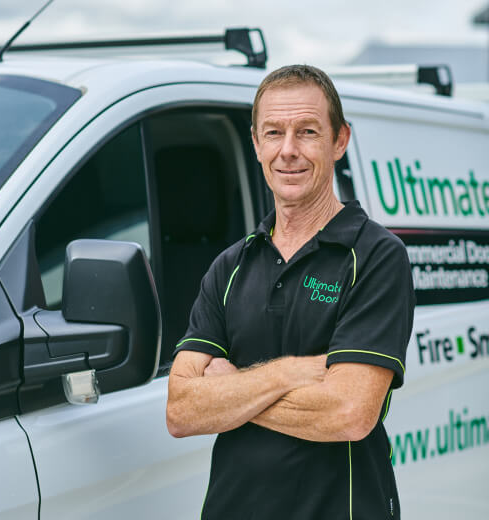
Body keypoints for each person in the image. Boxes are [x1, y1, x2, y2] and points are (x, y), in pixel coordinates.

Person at [166, 64, 415, 520]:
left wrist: (231, 390)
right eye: (274, 132)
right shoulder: (230, 266)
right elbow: (181, 411)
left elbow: (349, 412)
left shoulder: (377, 256)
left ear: (339, 140)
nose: (288, 151)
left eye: (307, 132)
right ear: (256, 143)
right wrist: (291, 375)